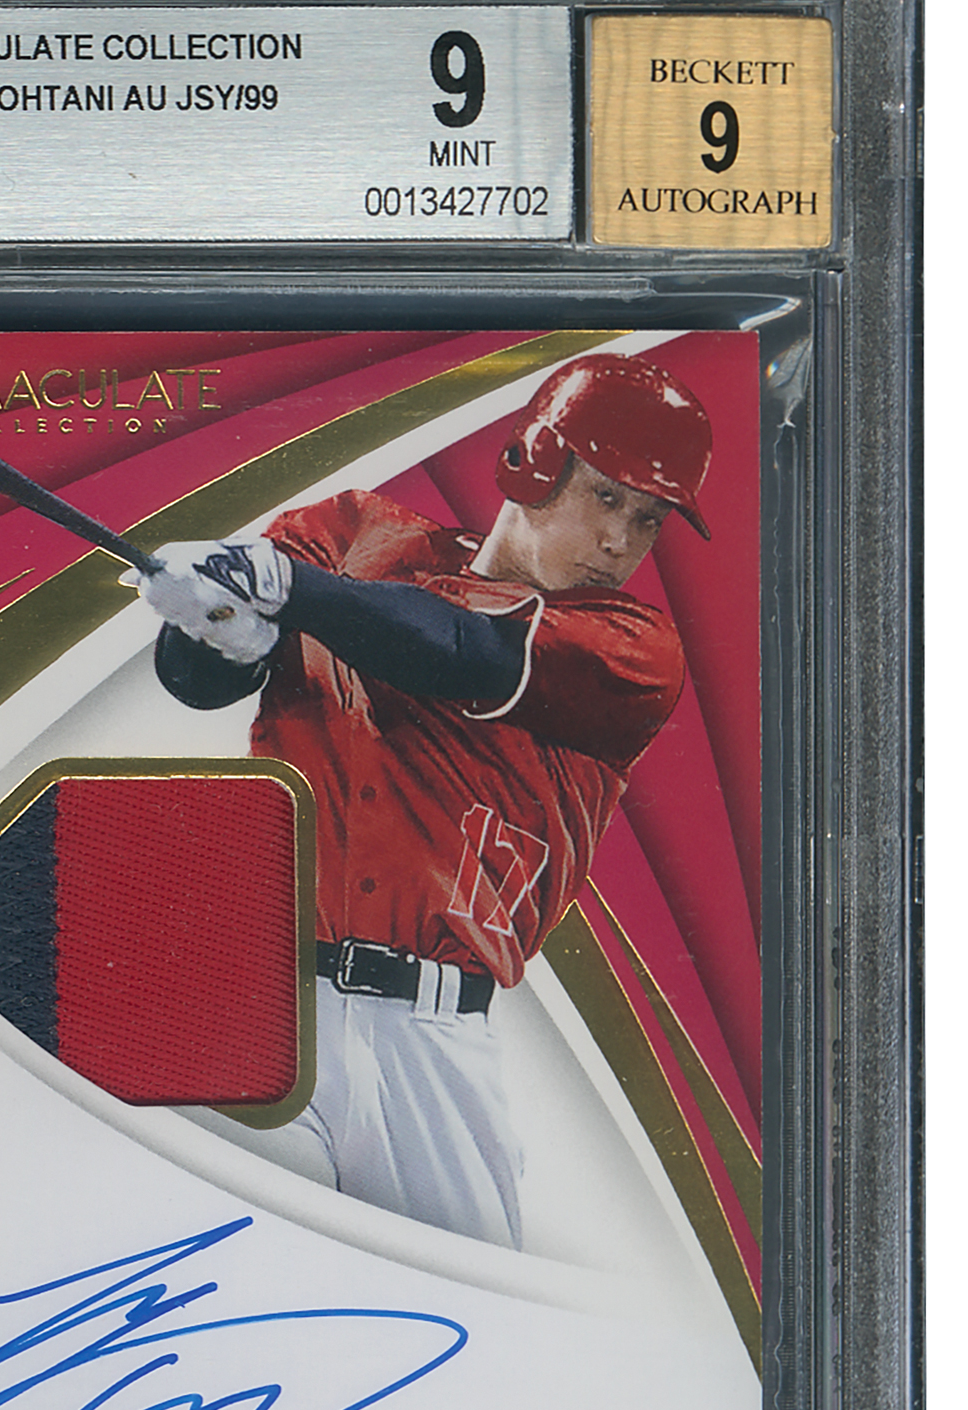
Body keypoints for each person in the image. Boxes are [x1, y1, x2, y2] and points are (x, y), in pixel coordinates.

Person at [129, 350, 712, 1249]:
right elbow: (194, 685)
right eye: (605, 497)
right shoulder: (351, 533)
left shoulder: (632, 648)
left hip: (429, 1043)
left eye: (647, 519)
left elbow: (459, 650)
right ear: (534, 461)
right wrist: (213, 628)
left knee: (468, 1320)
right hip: (262, 1005)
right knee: (207, 1273)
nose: (618, 542)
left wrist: (286, 591)